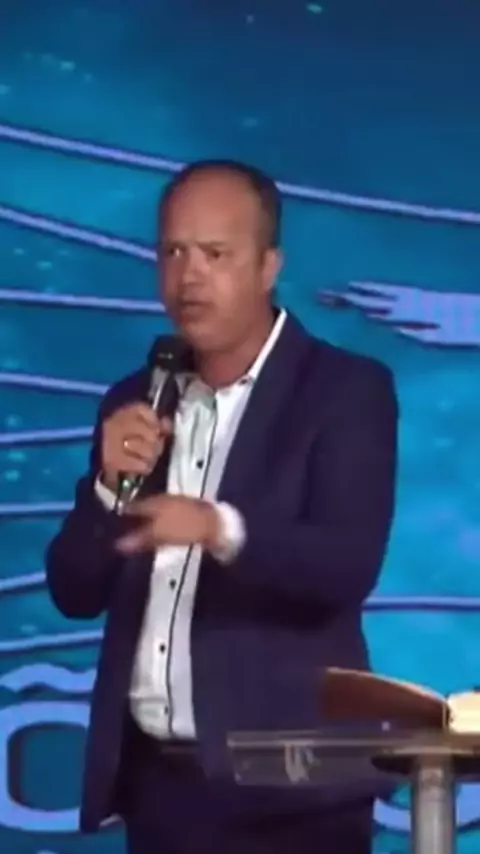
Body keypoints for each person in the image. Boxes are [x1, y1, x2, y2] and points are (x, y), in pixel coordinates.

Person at [45, 159, 398, 854]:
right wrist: (109, 487)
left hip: (296, 799)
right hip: (162, 792)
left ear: (269, 266)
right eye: (173, 252)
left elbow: (345, 566)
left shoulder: (345, 391)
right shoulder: (134, 400)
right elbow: (73, 591)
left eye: (215, 254)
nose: (189, 277)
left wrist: (218, 528)